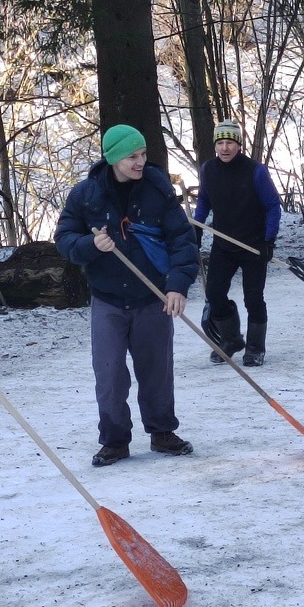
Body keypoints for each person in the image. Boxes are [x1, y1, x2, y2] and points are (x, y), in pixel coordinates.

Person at [55, 125, 198, 467]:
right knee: (109, 374)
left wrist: (177, 285)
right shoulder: (86, 195)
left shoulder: (157, 191)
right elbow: (64, 239)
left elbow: (182, 240)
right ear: (114, 157)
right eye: (133, 156)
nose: (140, 162)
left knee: (156, 370)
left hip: (152, 296)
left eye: (143, 154)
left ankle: (162, 432)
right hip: (107, 300)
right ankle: (115, 440)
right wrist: (91, 245)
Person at [193, 120, 282, 366]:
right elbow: (204, 201)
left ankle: (255, 348)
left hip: (254, 246)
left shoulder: (255, 171)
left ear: (238, 145)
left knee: (253, 298)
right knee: (214, 294)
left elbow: (273, 206)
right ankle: (231, 339)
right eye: (220, 143)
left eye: (230, 142)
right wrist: (196, 226)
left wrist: (268, 239)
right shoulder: (208, 169)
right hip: (224, 244)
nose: (225, 148)